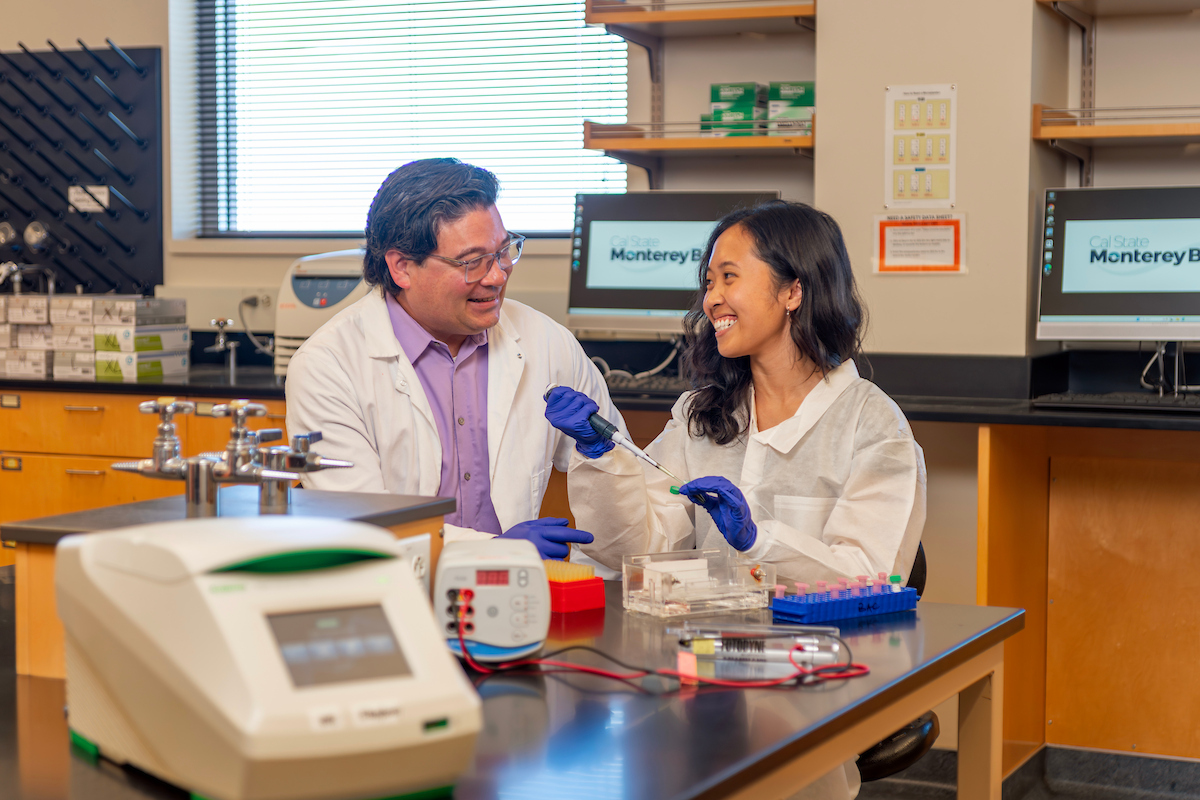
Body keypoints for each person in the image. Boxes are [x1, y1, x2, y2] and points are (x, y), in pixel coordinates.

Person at [546, 199, 926, 587]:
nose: (711, 300)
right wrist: (600, 457)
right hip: (706, 640)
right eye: (709, 282)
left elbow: (873, 575)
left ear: (793, 292)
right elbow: (640, 551)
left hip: (826, 645)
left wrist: (759, 542)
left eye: (730, 277)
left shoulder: (872, 425)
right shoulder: (700, 414)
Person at [287, 158, 625, 559]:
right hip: (397, 595)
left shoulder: (546, 342)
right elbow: (364, 529)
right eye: (472, 262)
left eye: (503, 251)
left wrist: (599, 453)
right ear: (401, 268)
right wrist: (495, 551)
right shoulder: (328, 366)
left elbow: (626, 508)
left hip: (513, 597)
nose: (497, 275)